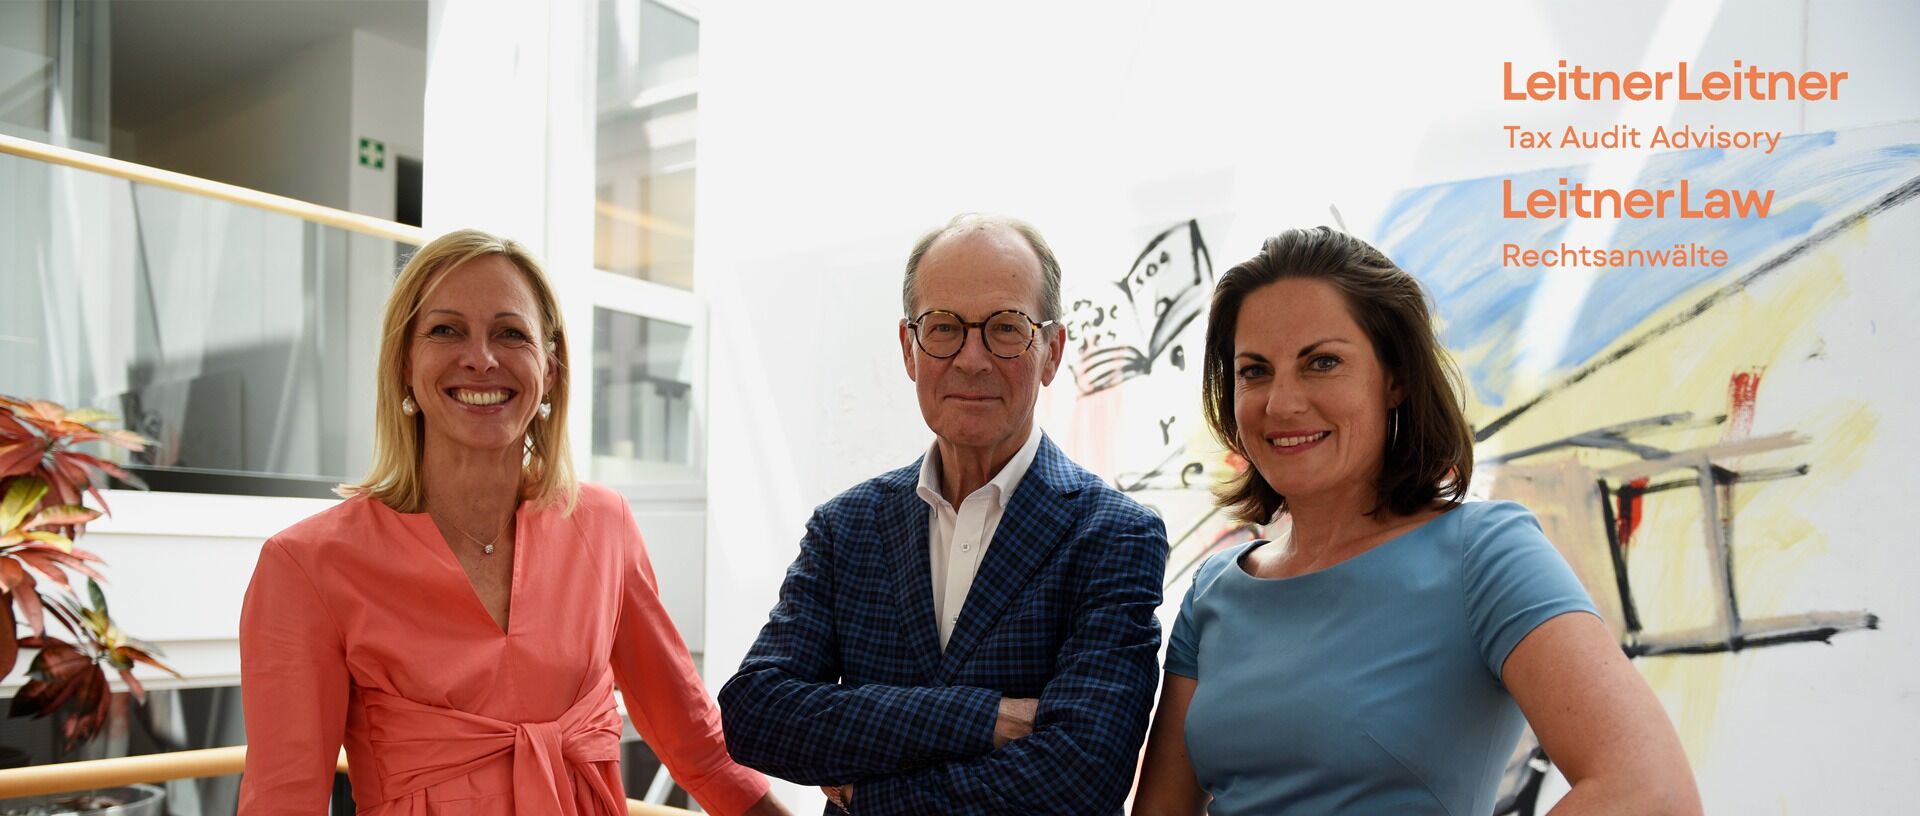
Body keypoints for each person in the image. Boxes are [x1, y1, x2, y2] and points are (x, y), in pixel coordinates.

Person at [1132, 227, 1702, 816]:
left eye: (1322, 363)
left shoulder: (1483, 554)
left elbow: (1650, 791)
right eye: (1254, 371)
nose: (1281, 402)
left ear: (1396, 378)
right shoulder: (1214, 591)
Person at [238, 229, 789, 816]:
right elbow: (283, 801)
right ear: (403, 363)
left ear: (549, 370)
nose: (481, 358)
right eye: (445, 330)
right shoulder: (308, 565)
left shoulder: (605, 527)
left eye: (511, 333)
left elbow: (699, 744)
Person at [717, 214, 1168, 815]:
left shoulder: (1113, 534)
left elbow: (1082, 775)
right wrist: (984, 716)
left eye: (1006, 328)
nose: (972, 359)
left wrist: (865, 795)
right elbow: (755, 713)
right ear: (909, 348)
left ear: (1052, 352)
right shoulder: (845, 528)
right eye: (944, 328)